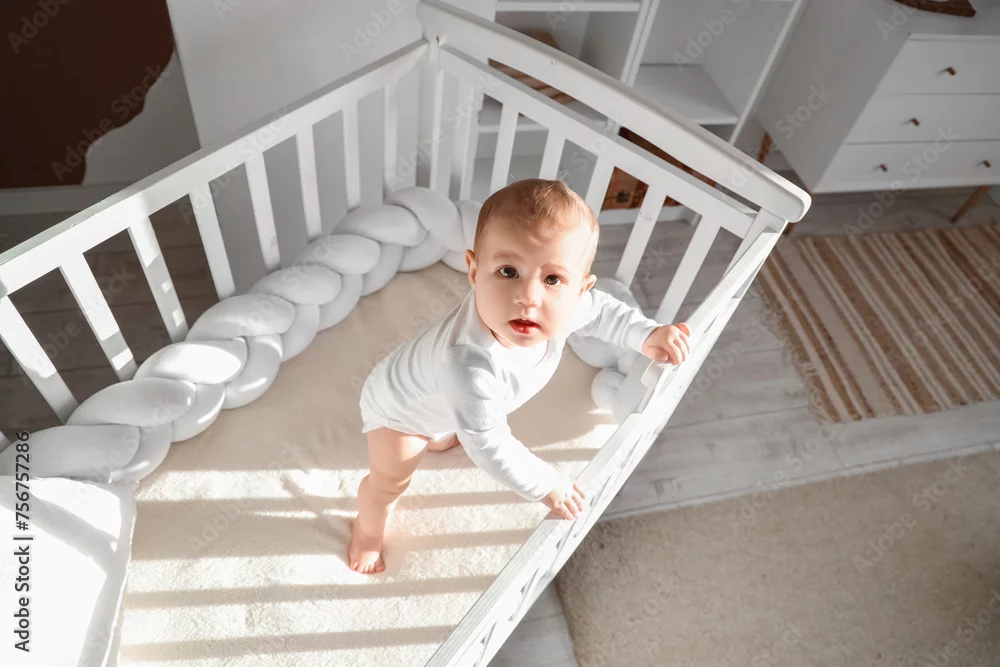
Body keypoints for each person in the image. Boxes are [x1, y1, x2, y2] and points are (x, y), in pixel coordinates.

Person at [349, 178, 691, 574]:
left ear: (580, 289)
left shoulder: (564, 308)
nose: (529, 297)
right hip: (399, 411)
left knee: (453, 427)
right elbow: (489, 444)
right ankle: (367, 532)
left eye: (552, 279)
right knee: (390, 480)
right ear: (474, 271)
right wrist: (547, 484)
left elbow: (602, 312)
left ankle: (442, 432)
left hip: (441, 398)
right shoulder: (467, 363)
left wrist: (647, 334)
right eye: (509, 271)